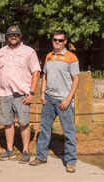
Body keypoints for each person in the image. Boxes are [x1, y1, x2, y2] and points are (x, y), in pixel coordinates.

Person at [30, 30, 80, 173]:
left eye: (60, 40)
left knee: (69, 131)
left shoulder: (71, 57)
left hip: (64, 100)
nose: (57, 42)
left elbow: (76, 79)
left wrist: (68, 98)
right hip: (49, 99)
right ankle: (41, 156)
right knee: (44, 129)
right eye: (54, 40)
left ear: (65, 41)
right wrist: (42, 93)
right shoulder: (49, 56)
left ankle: (70, 161)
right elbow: (44, 76)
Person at [0, 25, 40, 163]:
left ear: (20, 36)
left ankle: (25, 150)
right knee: (7, 123)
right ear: (7, 37)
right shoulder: (0, 52)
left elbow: (36, 72)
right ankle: (9, 150)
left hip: (22, 94)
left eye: (16, 35)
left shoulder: (29, 52)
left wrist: (31, 92)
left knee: (24, 122)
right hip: (4, 93)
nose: (13, 37)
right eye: (11, 35)